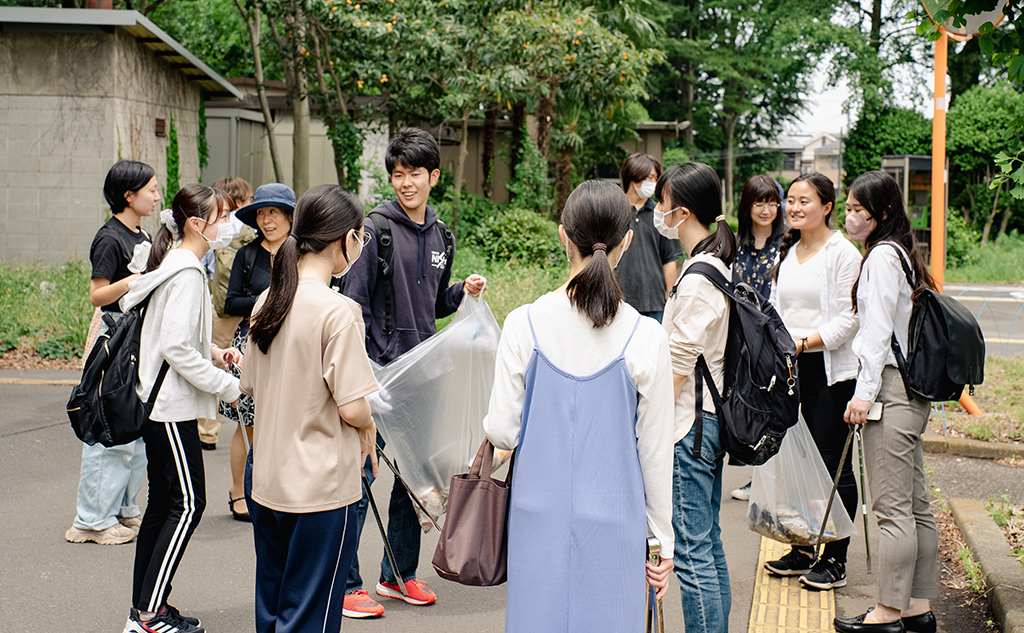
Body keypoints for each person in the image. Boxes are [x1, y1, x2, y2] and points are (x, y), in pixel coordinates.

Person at [484, 179, 675, 632]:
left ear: (562, 234)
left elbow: (504, 433)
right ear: (627, 240)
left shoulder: (522, 324)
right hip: (617, 521)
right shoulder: (646, 336)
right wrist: (661, 540)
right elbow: (654, 451)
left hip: (535, 518)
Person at [337, 127, 486, 618]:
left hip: (422, 375)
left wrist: (463, 290)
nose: (406, 183)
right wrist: (361, 375)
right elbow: (352, 307)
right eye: (398, 175)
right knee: (359, 477)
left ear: (433, 177)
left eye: (414, 174)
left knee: (412, 479)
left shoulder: (443, 235)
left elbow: (436, 303)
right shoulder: (375, 230)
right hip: (378, 374)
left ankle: (397, 576)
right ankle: (345, 582)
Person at [240, 184, 380, 633]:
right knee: (311, 616)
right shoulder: (338, 311)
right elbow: (354, 406)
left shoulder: (268, 301)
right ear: (345, 239)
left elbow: (250, 385)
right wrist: (369, 428)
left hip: (268, 480)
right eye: (360, 237)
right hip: (319, 488)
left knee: (274, 605)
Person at [120, 183, 242, 633]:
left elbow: (180, 336)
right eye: (222, 217)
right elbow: (175, 346)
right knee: (189, 505)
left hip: (158, 404)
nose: (227, 225)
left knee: (164, 505)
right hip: (169, 408)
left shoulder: (178, 263)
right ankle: (150, 615)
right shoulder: (188, 272)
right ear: (197, 224)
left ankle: (145, 607)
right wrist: (229, 387)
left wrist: (215, 351)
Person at [835, 171, 938, 633]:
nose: (850, 216)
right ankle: (916, 607)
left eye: (859, 210)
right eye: (849, 207)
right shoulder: (905, 254)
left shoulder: (880, 257)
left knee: (892, 510)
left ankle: (887, 614)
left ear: (883, 213)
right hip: (913, 393)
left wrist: (862, 395)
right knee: (915, 505)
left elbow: (875, 335)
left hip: (890, 392)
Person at [762, 173, 862, 591]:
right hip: (790, 366)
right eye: (791, 200)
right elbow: (775, 306)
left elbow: (850, 318)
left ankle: (835, 556)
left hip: (829, 371)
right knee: (798, 460)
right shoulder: (789, 250)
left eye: (805, 201)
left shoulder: (843, 254)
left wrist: (805, 343)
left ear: (827, 207)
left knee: (831, 461)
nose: (795, 207)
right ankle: (804, 546)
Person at [657, 162, 735, 633]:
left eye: (663, 205)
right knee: (707, 546)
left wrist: (655, 429)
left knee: (690, 555)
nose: (657, 212)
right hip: (708, 422)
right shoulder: (713, 264)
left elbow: (677, 368)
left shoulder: (700, 276)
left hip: (689, 428)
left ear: (682, 212)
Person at [66, 160, 159, 546]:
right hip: (114, 341)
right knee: (108, 426)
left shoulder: (141, 233)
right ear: (128, 195)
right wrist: (135, 280)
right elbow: (97, 295)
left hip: (135, 339)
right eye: (151, 190)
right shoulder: (110, 238)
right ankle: (90, 521)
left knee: (133, 428)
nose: (157, 196)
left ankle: (122, 509)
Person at [220, 183, 296, 522]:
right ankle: (240, 491)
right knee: (247, 422)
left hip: (293, 344)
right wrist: (270, 299)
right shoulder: (247, 255)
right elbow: (230, 302)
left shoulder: (303, 253)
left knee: (285, 421)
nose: (267, 220)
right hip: (250, 343)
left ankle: (276, 490)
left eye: (274, 213)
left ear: (290, 217)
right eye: (262, 213)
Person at [728, 174, 788, 503]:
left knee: (774, 407)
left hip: (773, 339)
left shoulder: (787, 244)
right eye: (758, 202)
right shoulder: (735, 245)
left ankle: (773, 481)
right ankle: (758, 475)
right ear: (747, 205)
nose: (766, 209)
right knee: (750, 405)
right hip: (740, 337)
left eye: (772, 202)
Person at [196, 177, 256, 452]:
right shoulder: (250, 228)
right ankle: (250, 422)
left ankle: (208, 430)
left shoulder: (217, 227)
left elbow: (207, 265)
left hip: (221, 306)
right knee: (244, 360)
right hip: (248, 308)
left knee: (216, 362)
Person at [614, 153, 682, 323]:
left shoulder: (662, 215)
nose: (654, 182)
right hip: (618, 301)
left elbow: (669, 260)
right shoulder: (614, 211)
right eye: (650, 177)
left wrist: (671, 299)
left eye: (656, 178)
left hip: (654, 302)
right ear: (634, 175)